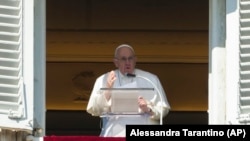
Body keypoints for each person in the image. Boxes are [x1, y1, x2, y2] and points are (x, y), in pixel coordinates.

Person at [86, 44, 170, 137]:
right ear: (116, 62)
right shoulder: (104, 79)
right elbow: (94, 109)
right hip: (116, 133)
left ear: (135, 60)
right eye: (123, 59)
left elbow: (164, 109)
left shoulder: (150, 79)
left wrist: (148, 109)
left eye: (130, 58)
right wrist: (108, 90)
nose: (127, 62)